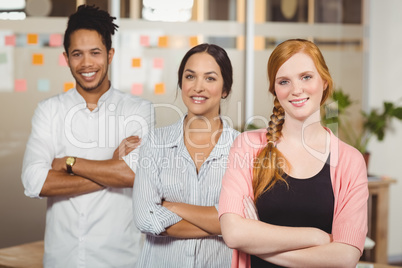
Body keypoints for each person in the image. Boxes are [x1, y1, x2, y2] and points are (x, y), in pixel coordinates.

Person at [21, 5, 154, 267]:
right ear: (66, 58)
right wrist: (111, 168)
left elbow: (135, 175)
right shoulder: (49, 111)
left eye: (95, 53)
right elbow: (34, 182)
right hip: (63, 259)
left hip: (120, 260)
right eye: (77, 54)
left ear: (110, 54)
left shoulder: (138, 110)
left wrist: (69, 163)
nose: (87, 63)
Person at [219, 39, 368, 268]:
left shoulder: (350, 161)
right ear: (275, 90)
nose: (296, 89)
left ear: (325, 82)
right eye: (284, 81)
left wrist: (259, 243)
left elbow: (346, 257)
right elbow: (233, 234)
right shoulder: (247, 146)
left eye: (306, 77)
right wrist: (316, 237)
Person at [132, 43, 239, 267]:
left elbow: (246, 220)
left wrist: (173, 206)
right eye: (190, 76)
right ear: (181, 83)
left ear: (225, 88)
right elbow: (145, 218)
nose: (198, 87)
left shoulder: (242, 147)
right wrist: (223, 225)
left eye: (210, 78)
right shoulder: (155, 143)